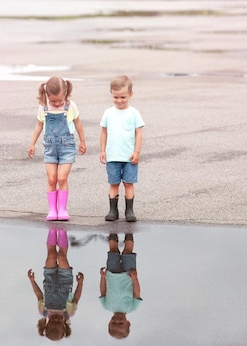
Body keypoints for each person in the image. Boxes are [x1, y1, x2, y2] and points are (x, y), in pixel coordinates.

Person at [28, 76, 86, 221]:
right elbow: (39, 125)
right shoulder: (44, 107)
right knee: (52, 178)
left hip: (67, 146)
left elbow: (78, 123)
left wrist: (82, 141)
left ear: (66, 93)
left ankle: (63, 209)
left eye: (60, 100)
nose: (58, 103)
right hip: (50, 147)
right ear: (47, 95)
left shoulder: (70, 106)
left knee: (62, 177)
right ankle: (52, 210)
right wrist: (32, 143)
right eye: (54, 101)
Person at [99, 75, 145, 222]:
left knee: (128, 183)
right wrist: (102, 150)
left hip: (129, 157)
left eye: (123, 97)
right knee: (113, 183)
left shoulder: (134, 113)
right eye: (116, 97)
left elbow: (138, 133)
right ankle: (113, 210)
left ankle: (129, 210)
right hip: (112, 156)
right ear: (111, 94)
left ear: (131, 95)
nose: (119, 100)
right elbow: (103, 132)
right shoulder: (108, 113)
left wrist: (137, 152)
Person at [27, 228, 84, 341]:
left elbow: (39, 295)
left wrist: (32, 280)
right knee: (61, 256)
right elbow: (76, 298)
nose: (57, 318)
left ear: (47, 324)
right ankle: (62, 230)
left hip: (49, 279)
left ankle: (52, 229)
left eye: (53, 321)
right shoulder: (69, 313)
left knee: (51, 255)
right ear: (64, 326)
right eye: (59, 322)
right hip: (65, 280)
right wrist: (80, 283)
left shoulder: (43, 311)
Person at [99, 233, 142, 339]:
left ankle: (113, 231)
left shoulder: (106, 306)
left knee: (113, 251)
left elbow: (103, 292)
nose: (117, 321)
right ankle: (129, 232)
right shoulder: (132, 307)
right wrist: (135, 278)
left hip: (111, 274)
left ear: (109, 323)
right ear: (128, 323)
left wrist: (103, 277)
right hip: (129, 274)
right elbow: (137, 293)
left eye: (114, 323)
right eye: (121, 324)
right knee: (128, 252)